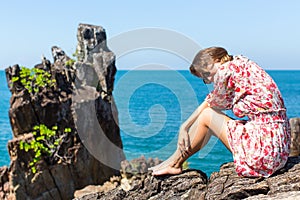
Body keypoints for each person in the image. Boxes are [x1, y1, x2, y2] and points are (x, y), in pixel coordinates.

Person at [149, 47, 291, 177]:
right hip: (278, 149)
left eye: (207, 74)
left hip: (263, 153)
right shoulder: (242, 63)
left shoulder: (225, 71)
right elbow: (215, 100)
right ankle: (171, 161)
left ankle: (173, 164)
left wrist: (184, 127)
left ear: (216, 60)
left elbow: (212, 104)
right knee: (209, 115)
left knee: (207, 116)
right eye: (205, 79)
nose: (210, 80)